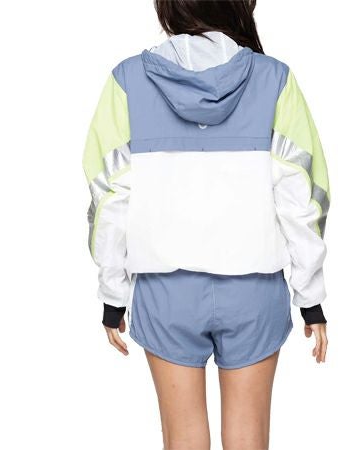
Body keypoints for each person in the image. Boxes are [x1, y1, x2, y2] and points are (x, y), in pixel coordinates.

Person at [81, 1, 330, 448]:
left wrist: (113, 295)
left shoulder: (127, 81)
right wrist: (310, 298)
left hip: (165, 290)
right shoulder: (274, 79)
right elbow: (302, 199)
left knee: (183, 439)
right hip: (254, 290)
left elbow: (111, 199)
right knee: (249, 438)